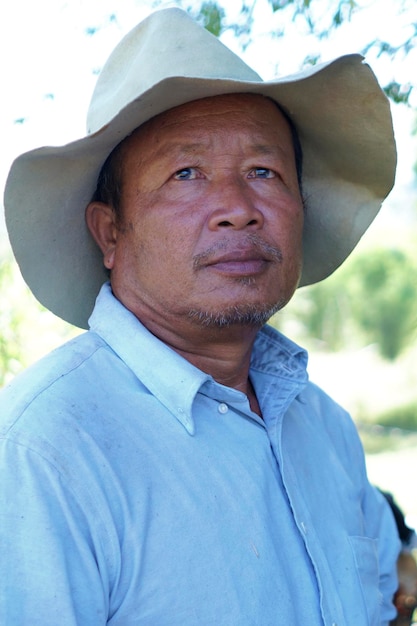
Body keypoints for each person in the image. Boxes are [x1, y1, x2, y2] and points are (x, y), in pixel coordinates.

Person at [0, 8, 401, 626]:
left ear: (299, 207)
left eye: (263, 171)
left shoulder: (323, 426)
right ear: (110, 233)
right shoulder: (42, 450)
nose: (237, 209)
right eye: (186, 174)